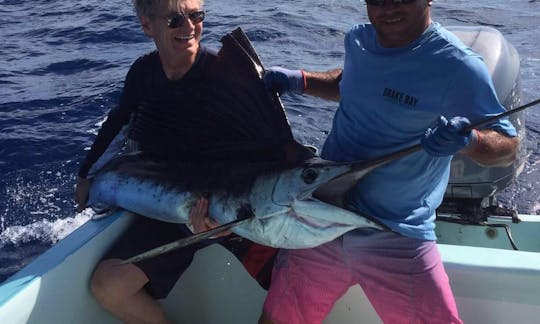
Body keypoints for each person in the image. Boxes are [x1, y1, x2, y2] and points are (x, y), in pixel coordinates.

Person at [259, 1, 518, 323]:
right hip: (320, 221)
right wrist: (301, 80)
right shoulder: (359, 41)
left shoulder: (458, 66)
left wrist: (471, 141)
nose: (389, 7)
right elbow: (351, 84)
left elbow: (507, 146)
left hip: (395, 233)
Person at [74, 0, 277, 323]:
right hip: (174, 209)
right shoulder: (143, 72)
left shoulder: (226, 73)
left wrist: (227, 223)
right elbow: (119, 121)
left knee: (293, 281)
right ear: (146, 25)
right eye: (175, 20)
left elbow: (266, 152)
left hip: (235, 209)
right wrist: (86, 174)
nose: (189, 27)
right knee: (109, 285)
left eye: (196, 16)